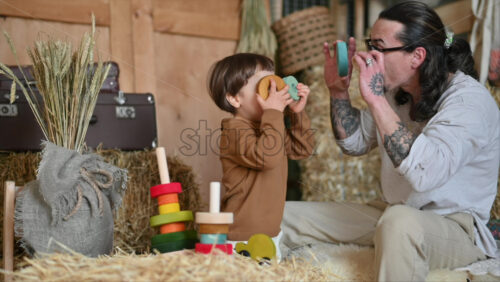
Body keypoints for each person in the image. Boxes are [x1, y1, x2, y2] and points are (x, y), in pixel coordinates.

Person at [280, 1, 499, 280]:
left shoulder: (469, 101)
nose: (369, 56)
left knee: (398, 224)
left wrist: (374, 99)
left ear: (417, 56)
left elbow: (425, 174)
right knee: (283, 215)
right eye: (369, 44)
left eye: (379, 48)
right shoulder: (399, 93)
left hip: (454, 228)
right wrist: (338, 92)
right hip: (391, 213)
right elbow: (355, 143)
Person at [207, 53, 315, 259]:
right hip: (242, 236)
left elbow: (302, 149)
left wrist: (297, 113)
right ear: (234, 98)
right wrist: (274, 113)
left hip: (271, 232)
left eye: (274, 81)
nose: (272, 90)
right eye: (262, 85)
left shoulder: (269, 125)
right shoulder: (234, 130)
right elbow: (267, 158)